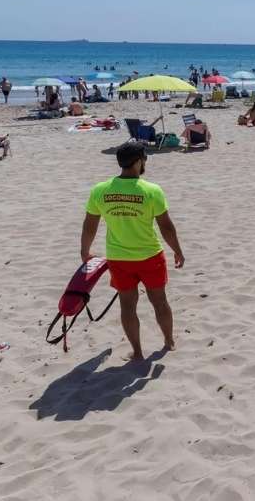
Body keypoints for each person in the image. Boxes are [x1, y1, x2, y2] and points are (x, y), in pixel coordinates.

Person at [79, 142, 184, 362]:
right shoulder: (151, 190)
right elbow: (166, 226)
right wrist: (177, 251)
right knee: (160, 302)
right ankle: (169, 341)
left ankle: (137, 352)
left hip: (119, 258)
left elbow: (90, 225)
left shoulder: (101, 190)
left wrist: (85, 251)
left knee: (127, 306)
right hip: (150, 256)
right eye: (144, 159)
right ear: (138, 161)